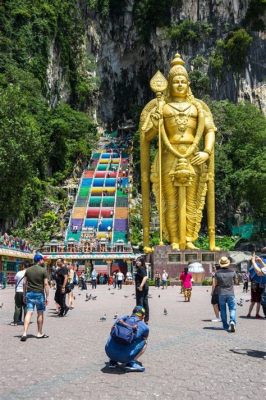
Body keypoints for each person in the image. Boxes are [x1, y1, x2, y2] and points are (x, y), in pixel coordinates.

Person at [140, 52, 219, 252]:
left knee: (192, 199)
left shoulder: (198, 108)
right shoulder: (162, 107)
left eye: (183, 81)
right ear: (169, 84)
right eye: (176, 81)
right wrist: (156, 122)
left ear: (189, 84)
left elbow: (209, 130)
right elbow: (147, 137)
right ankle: (174, 239)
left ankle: (190, 238)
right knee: (171, 199)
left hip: (194, 155)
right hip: (169, 155)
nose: (180, 85)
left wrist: (207, 152)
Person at [105, 306, 149, 372]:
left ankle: (113, 361)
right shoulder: (144, 326)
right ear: (142, 316)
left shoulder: (121, 319)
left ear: (133, 312)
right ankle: (131, 363)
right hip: (124, 357)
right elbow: (145, 337)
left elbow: (112, 330)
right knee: (144, 341)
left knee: (114, 332)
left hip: (109, 352)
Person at [21, 253, 49, 341]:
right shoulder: (43, 270)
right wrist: (47, 296)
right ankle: (39, 333)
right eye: (42, 260)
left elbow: (24, 283)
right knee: (40, 313)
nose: (43, 261)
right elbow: (46, 284)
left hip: (29, 293)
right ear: (40, 260)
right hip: (39, 294)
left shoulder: (28, 270)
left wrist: (24, 294)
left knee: (29, 312)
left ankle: (24, 332)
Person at [214, 256, 237, 332]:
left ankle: (225, 325)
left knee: (223, 310)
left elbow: (216, 283)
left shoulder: (217, 273)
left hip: (221, 293)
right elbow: (236, 282)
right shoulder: (233, 271)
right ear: (228, 263)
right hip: (230, 292)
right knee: (232, 308)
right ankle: (232, 321)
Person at [135, 258, 149, 323]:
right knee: (145, 302)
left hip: (141, 288)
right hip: (144, 287)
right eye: (136, 261)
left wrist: (141, 286)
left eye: (138, 261)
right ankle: (146, 319)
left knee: (140, 303)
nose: (137, 262)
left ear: (141, 262)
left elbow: (145, 277)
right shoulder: (143, 268)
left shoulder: (141, 268)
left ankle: (140, 319)